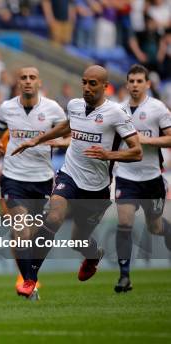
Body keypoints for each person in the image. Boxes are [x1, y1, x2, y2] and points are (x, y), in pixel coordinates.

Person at [12, 65, 142, 298]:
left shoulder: (116, 114)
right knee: (53, 217)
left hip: (97, 188)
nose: (87, 88)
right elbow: (66, 125)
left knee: (78, 240)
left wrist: (108, 155)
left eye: (93, 84)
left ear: (105, 86)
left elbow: (137, 151)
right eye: (84, 82)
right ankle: (31, 278)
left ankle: (93, 256)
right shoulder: (74, 105)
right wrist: (37, 140)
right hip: (69, 175)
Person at [0, 67, 67, 300]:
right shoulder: (6, 108)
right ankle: (28, 283)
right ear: (18, 82)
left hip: (42, 179)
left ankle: (28, 277)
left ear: (39, 82)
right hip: (13, 178)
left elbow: (71, 138)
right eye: (23, 77)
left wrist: (43, 141)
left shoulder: (53, 109)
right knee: (20, 230)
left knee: (33, 236)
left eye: (32, 77)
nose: (27, 81)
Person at [114, 64, 171, 293]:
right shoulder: (117, 110)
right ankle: (124, 277)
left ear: (147, 84)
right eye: (132, 81)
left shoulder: (158, 109)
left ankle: (167, 230)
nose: (135, 85)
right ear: (127, 84)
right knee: (124, 222)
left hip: (151, 178)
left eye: (140, 81)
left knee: (154, 227)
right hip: (126, 176)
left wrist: (145, 141)